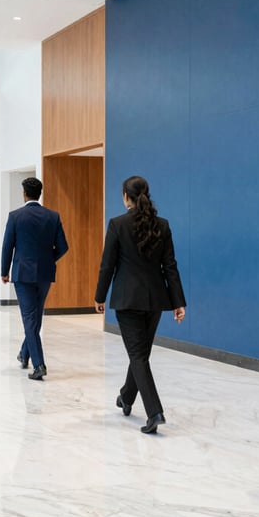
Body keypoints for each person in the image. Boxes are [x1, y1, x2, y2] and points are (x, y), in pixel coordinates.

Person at [95, 176, 186, 434]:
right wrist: (178, 301)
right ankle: (126, 396)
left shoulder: (117, 224)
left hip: (127, 299)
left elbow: (107, 265)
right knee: (141, 354)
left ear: (126, 196)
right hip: (156, 299)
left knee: (137, 355)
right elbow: (170, 266)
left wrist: (99, 296)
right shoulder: (162, 225)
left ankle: (154, 412)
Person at [1, 177, 68, 380]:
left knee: (30, 318)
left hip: (22, 274)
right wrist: (49, 258)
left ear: (24, 193)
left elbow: (8, 246)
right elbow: (63, 247)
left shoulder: (15, 216)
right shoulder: (53, 216)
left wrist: (5, 271)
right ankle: (24, 353)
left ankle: (39, 365)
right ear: (39, 193)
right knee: (35, 316)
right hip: (45, 273)